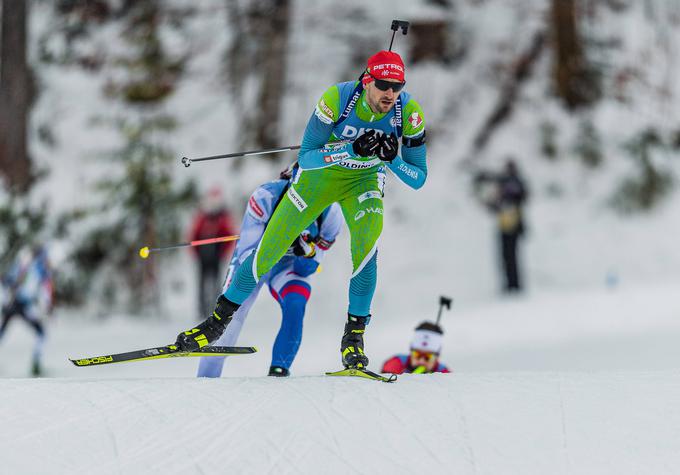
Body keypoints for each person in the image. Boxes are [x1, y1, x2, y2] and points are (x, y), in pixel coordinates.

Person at [176, 49, 428, 371]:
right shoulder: (338, 99)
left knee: (367, 245)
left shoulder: (408, 113)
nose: (390, 94)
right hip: (318, 180)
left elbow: (419, 179)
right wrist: (350, 148)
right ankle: (216, 323)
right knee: (268, 250)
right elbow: (308, 157)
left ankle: (354, 337)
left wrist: (392, 159)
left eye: (398, 86)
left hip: (364, 182)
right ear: (367, 81)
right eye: (383, 85)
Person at [197, 165, 343, 377]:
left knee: (296, 304)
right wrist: (282, 242)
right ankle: (206, 378)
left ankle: (278, 372)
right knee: (232, 318)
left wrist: (308, 252)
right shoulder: (265, 197)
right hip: (254, 263)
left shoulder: (331, 214)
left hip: (287, 267)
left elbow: (306, 269)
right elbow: (247, 253)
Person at [475, 159, 528, 293]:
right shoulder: (505, 185)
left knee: (512, 257)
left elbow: (520, 197)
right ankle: (510, 284)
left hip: (513, 227)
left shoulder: (515, 184)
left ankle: (514, 284)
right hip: (504, 226)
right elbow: (495, 205)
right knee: (506, 257)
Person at [0, 245, 53, 376]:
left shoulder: (22, 266)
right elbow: (45, 289)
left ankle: (36, 364)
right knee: (41, 333)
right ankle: (36, 364)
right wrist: (47, 306)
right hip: (22, 305)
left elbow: (7, 280)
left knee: (2, 332)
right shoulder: (39, 268)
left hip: (12, 305)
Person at [188, 187, 236, 319]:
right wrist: (196, 253)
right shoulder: (202, 217)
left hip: (216, 256)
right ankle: (202, 309)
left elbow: (229, 237)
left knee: (216, 283)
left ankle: (215, 309)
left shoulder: (223, 218)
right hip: (203, 256)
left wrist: (222, 253)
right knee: (202, 284)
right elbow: (194, 235)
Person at [381, 322, 450, 374]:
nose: (421, 361)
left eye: (428, 357)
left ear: (437, 357)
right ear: (411, 352)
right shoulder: (396, 363)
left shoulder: (444, 373)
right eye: (417, 354)